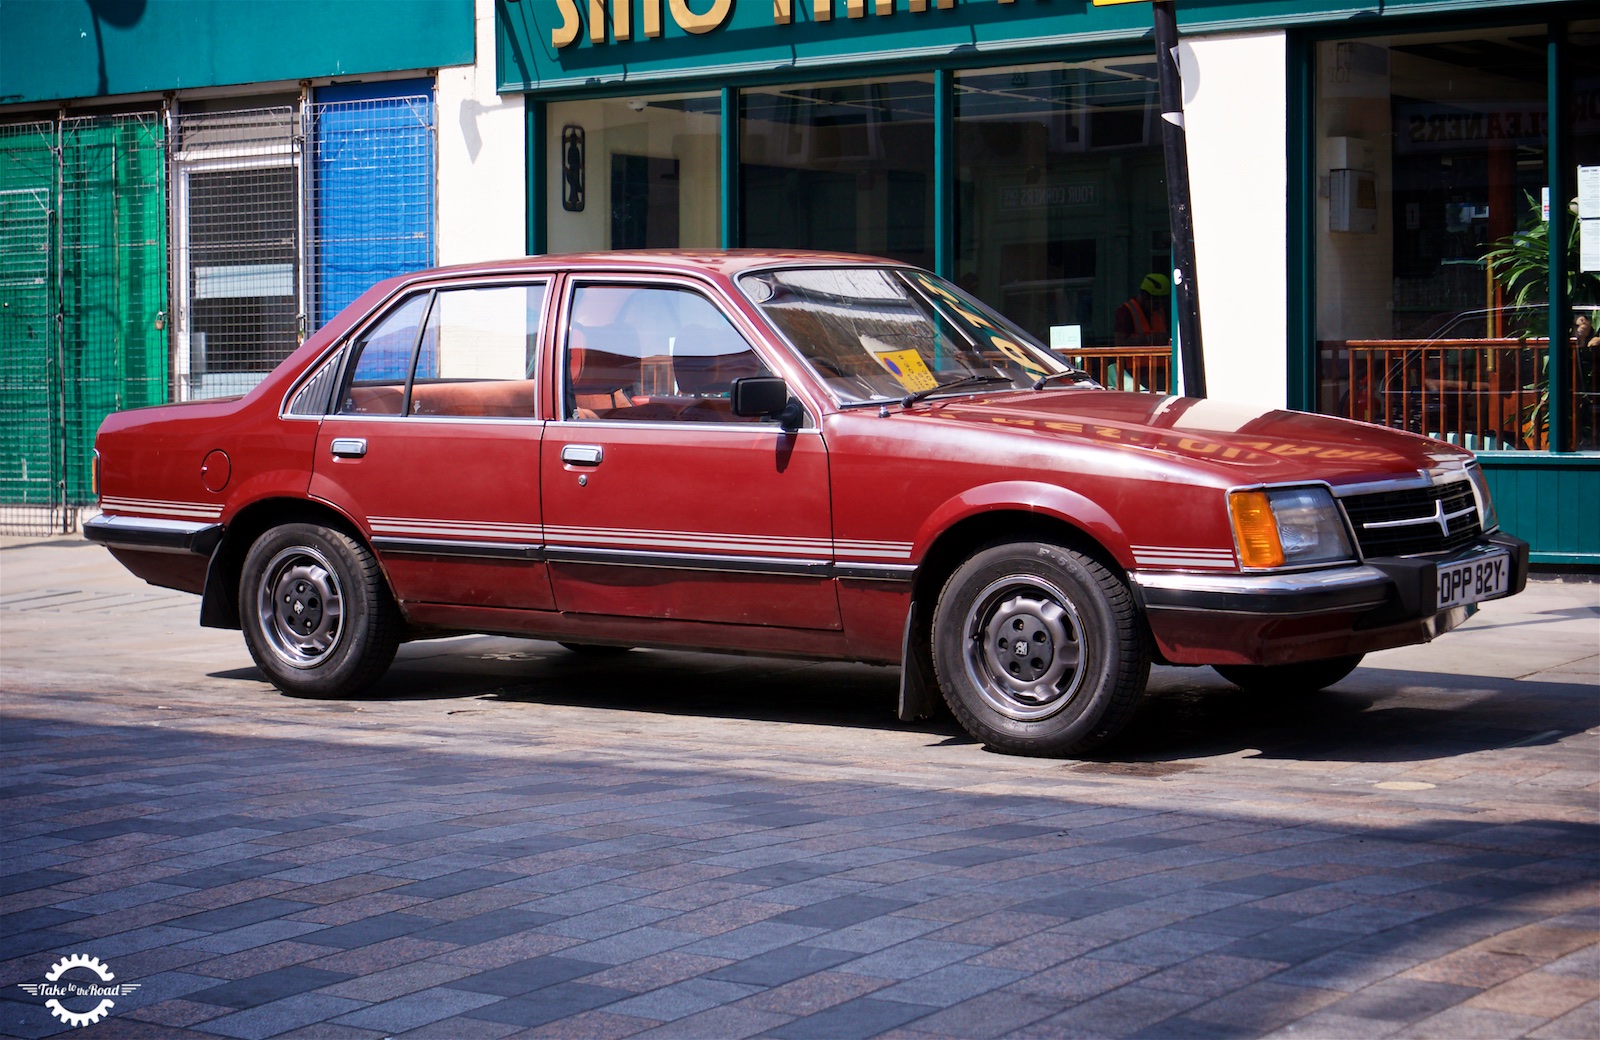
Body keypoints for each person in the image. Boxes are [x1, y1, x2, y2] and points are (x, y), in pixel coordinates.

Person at [1114, 272, 1171, 346]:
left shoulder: (1160, 312)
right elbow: (1120, 343)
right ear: (1145, 296)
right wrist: (1149, 339)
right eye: (1156, 302)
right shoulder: (1125, 311)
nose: (1159, 306)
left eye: (1163, 302)